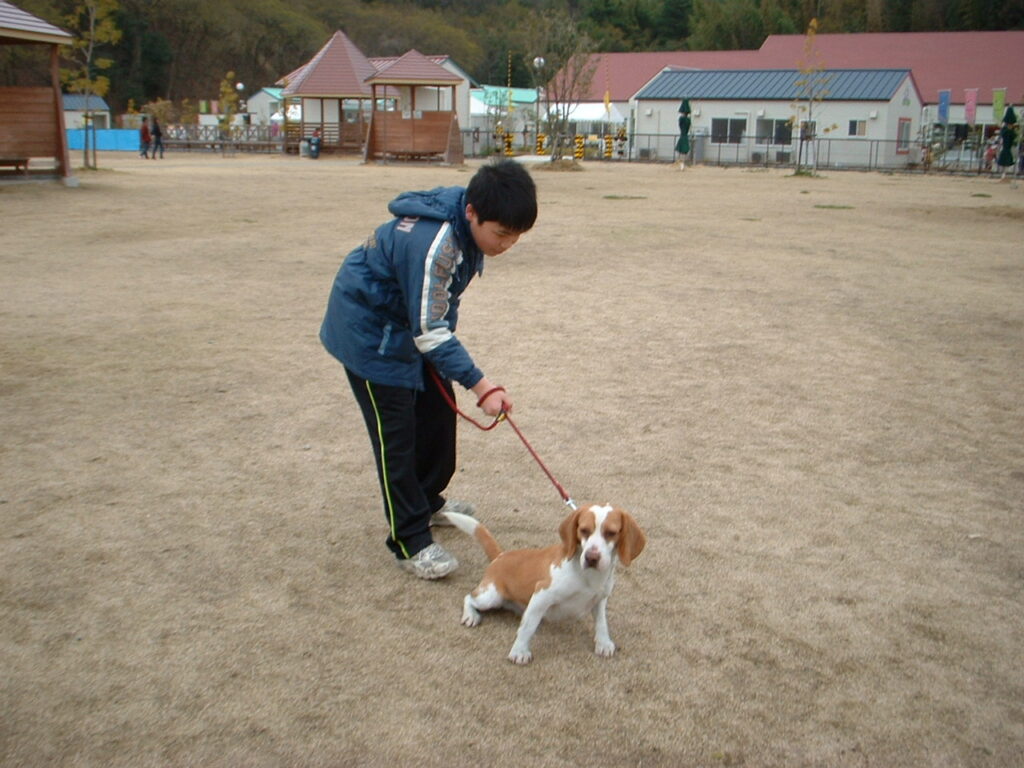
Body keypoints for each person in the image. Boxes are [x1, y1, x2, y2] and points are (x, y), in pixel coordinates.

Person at [320, 160, 538, 579]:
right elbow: (431, 329)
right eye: (502, 234)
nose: (507, 244)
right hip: (368, 333)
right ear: (472, 212)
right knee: (396, 436)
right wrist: (482, 384)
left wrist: (447, 359)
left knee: (436, 417)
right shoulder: (436, 242)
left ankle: (427, 499)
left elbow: (438, 308)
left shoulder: (467, 225)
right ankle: (409, 540)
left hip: (409, 329)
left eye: (517, 236)